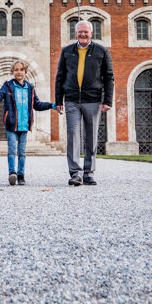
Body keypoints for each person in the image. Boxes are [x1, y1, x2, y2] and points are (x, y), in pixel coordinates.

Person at [54, 20, 113, 186]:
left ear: (91, 33)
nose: (83, 34)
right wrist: (59, 100)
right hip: (72, 99)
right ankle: (75, 173)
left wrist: (107, 100)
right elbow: (60, 77)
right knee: (73, 135)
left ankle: (89, 173)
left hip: (93, 100)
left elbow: (109, 77)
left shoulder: (101, 51)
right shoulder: (67, 52)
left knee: (91, 136)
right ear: (76, 33)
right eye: (80, 32)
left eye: (86, 32)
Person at [0, 60, 54, 186]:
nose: (19, 72)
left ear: (25, 72)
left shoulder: (30, 88)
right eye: (16, 70)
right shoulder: (7, 86)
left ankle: (21, 175)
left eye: (21, 70)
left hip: (24, 125)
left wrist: (52, 105)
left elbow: (37, 104)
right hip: (11, 125)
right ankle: (12, 173)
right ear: (12, 72)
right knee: (12, 150)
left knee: (22, 152)